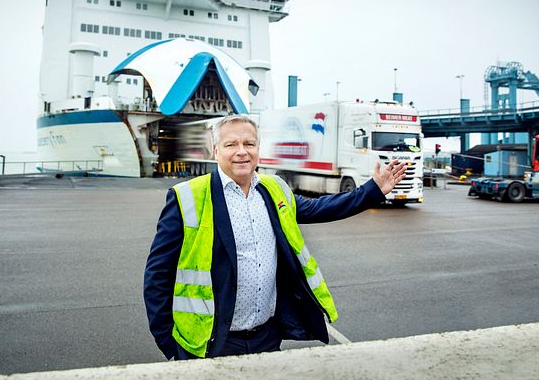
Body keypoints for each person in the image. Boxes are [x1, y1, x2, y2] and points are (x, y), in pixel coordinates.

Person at [143, 115, 407, 360]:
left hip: (266, 338)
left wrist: (372, 191)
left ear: (258, 148)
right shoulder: (187, 197)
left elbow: (321, 207)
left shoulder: (273, 189)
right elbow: (157, 275)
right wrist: (168, 343)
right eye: (230, 144)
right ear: (215, 151)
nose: (241, 151)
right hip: (209, 343)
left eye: (249, 143)